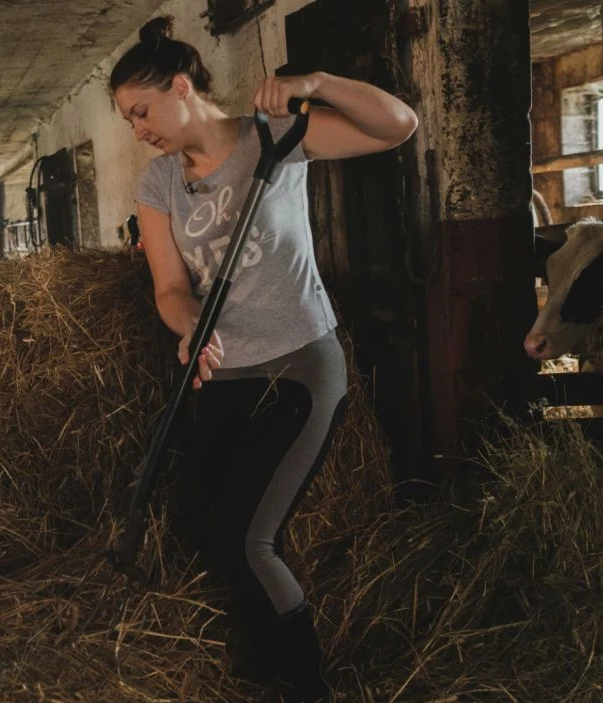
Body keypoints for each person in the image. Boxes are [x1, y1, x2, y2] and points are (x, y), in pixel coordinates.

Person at [110, 16, 418, 702]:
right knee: (207, 526)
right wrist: (189, 325)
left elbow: (398, 124)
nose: (139, 129)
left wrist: (317, 84)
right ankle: (260, 664)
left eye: (141, 111)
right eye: (129, 119)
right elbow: (169, 287)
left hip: (299, 365)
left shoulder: (273, 139)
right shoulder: (158, 184)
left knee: (249, 541)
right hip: (224, 373)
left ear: (181, 86)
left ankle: (303, 686)